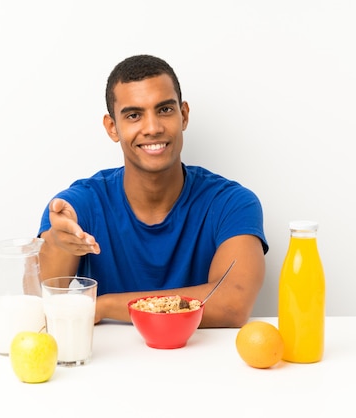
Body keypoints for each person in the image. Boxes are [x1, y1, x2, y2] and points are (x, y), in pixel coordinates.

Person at [38, 54, 268, 328]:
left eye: (164, 110)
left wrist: (104, 305)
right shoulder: (79, 206)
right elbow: (43, 304)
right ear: (113, 127)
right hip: (106, 364)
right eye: (134, 115)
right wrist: (59, 244)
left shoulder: (232, 204)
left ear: (183, 115)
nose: (153, 128)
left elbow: (232, 304)